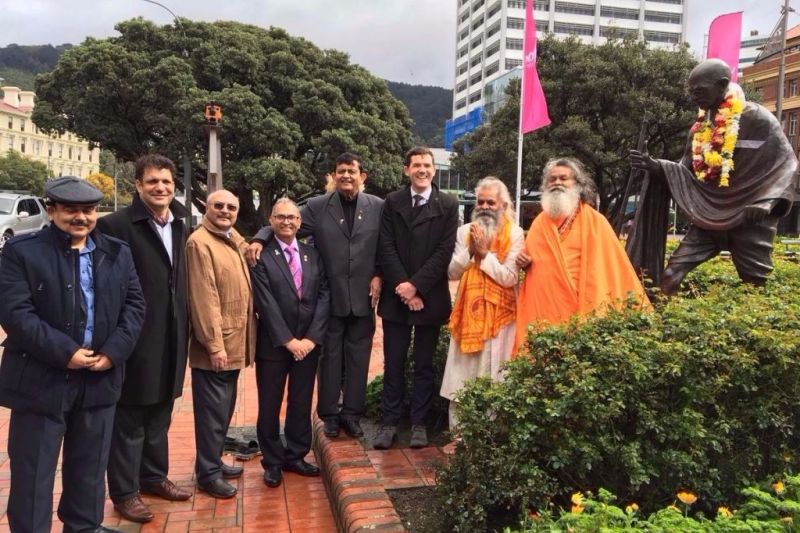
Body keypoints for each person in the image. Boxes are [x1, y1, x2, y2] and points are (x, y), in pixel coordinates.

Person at [0, 177, 145, 533]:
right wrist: (66, 353)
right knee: (33, 473)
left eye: (88, 210)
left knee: (90, 468)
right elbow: (15, 313)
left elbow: (135, 306)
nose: (81, 217)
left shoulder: (116, 251)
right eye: (71, 210)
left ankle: (83, 527)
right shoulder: (21, 251)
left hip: (100, 379)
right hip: (41, 381)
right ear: (52, 210)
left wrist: (113, 353)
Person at [629, 58, 797, 294]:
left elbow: (787, 165)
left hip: (750, 216)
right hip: (709, 217)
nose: (693, 96)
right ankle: (658, 325)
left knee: (755, 284)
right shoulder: (700, 128)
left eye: (699, 90)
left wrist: (767, 202)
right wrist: (653, 165)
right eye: (691, 91)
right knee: (671, 273)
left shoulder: (759, 119)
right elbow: (683, 170)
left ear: (722, 85)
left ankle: (751, 328)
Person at [246, 153, 383, 439]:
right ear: (333, 176)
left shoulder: (378, 207)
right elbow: (285, 222)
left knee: (359, 359)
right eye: (341, 171)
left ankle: (352, 414)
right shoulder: (318, 207)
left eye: (352, 171)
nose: (346, 176)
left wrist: (379, 274)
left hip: (363, 298)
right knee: (330, 358)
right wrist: (259, 238)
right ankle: (329, 414)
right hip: (328, 298)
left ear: (363, 176)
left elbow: (388, 243)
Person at [97, 154, 192, 523]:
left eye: (167, 182)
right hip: (134, 335)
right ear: (138, 185)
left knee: (161, 410)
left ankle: (153, 477)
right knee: (131, 416)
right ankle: (124, 491)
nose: (161, 188)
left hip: (172, 332)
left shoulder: (180, 224)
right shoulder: (115, 226)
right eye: (153, 181)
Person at [513, 158, 650, 356]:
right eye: (552, 179)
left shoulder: (596, 222)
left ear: (577, 184)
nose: (557, 183)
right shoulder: (538, 225)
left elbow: (610, 270)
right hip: (543, 315)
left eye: (563, 178)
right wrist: (524, 264)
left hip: (582, 311)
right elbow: (537, 265)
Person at [373, 146, 459, 450]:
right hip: (397, 298)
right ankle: (389, 422)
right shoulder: (393, 202)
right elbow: (386, 247)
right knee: (393, 363)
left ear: (434, 170)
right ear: (406, 170)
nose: (422, 170)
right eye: (416, 165)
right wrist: (405, 289)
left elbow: (444, 252)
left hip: (430, 297)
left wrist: (417, 287)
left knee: (424, 364)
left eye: (427, 165)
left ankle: (419, 423)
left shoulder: (448, 204)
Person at [251, 198, 330, 488]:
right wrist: (288, 340)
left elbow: (324, 295)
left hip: (308, 345)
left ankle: (296, 455)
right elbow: (265, 302)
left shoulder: (312, 254)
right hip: (274, 346)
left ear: (300, 222)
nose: (287, 222)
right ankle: (272, 462)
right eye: (281, 217)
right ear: (270, 221)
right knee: (269, 404)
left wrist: (310, 339)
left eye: (293, 218)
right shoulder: (260, 255)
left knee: (300, 401)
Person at [185, 190, 255, 498]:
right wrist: (214, 345)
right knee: (211, 413)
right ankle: (207, 474)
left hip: (234, 341)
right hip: (217, 346)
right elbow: (204, 298)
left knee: (222, 410)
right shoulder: (199, 244)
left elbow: (241, 240)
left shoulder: (227, 239)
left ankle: (212, 462)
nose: (225, 211)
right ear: (206, 209)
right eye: (218, 206)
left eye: (231, 207)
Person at [440, 177, 524, 430]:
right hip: (469, 314)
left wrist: (485, 255)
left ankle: (493, 435)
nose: (485, 207)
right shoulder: (464, 232)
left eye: (491, 202)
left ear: (503, 205)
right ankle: (461, 435)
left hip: (501, 317)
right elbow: (452, 273)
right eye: (481, 202)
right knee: (461, 376)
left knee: (495, 374)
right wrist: (471, 250)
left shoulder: (516, 234)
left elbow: (509, 278)